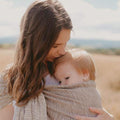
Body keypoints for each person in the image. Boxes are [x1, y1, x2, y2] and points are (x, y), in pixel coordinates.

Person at [0, 0, 114, 120]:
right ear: (35, 43)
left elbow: (87, 103)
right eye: (55, 46)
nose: (63, 51)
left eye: (65, 43)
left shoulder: (66, 68)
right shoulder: (9, 82)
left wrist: (109, 118)